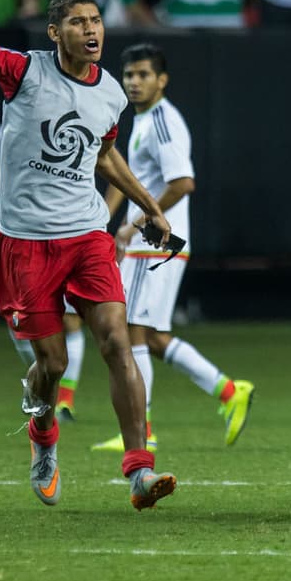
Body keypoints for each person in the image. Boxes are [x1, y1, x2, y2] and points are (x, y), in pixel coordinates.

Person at [0, 0, 177, 511]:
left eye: (97, 21)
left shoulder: (110, 92)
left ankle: (139, 470)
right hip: (25, 244)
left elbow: (104, 156)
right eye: (79, 22)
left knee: (115, 340)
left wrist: (149, 206)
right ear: (54, 33)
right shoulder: (23, 72)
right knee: (54, 363)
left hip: (86, 234)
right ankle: (43, 438)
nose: (92, 30)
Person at [92, 43, 255, 452]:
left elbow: (183, 183)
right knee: (152, 336)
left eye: (143, 74)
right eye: (129, 74)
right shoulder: (145, 120)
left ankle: (142, 430)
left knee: (133, 335)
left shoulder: (163, 121)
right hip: (148, 243)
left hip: (157, 244)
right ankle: (229, 391)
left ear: (161, 80)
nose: (134, 81)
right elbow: (125, 177)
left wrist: (136, 224)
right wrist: (111, 219)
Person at [0, 124, 87, 422]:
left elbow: (107, 158)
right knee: (21, 320)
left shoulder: (70, 121)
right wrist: (13, 191)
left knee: (71, 318)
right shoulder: (17, 119)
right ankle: (39, 378)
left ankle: (64, 401)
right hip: (21, 234)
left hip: (67, 230)